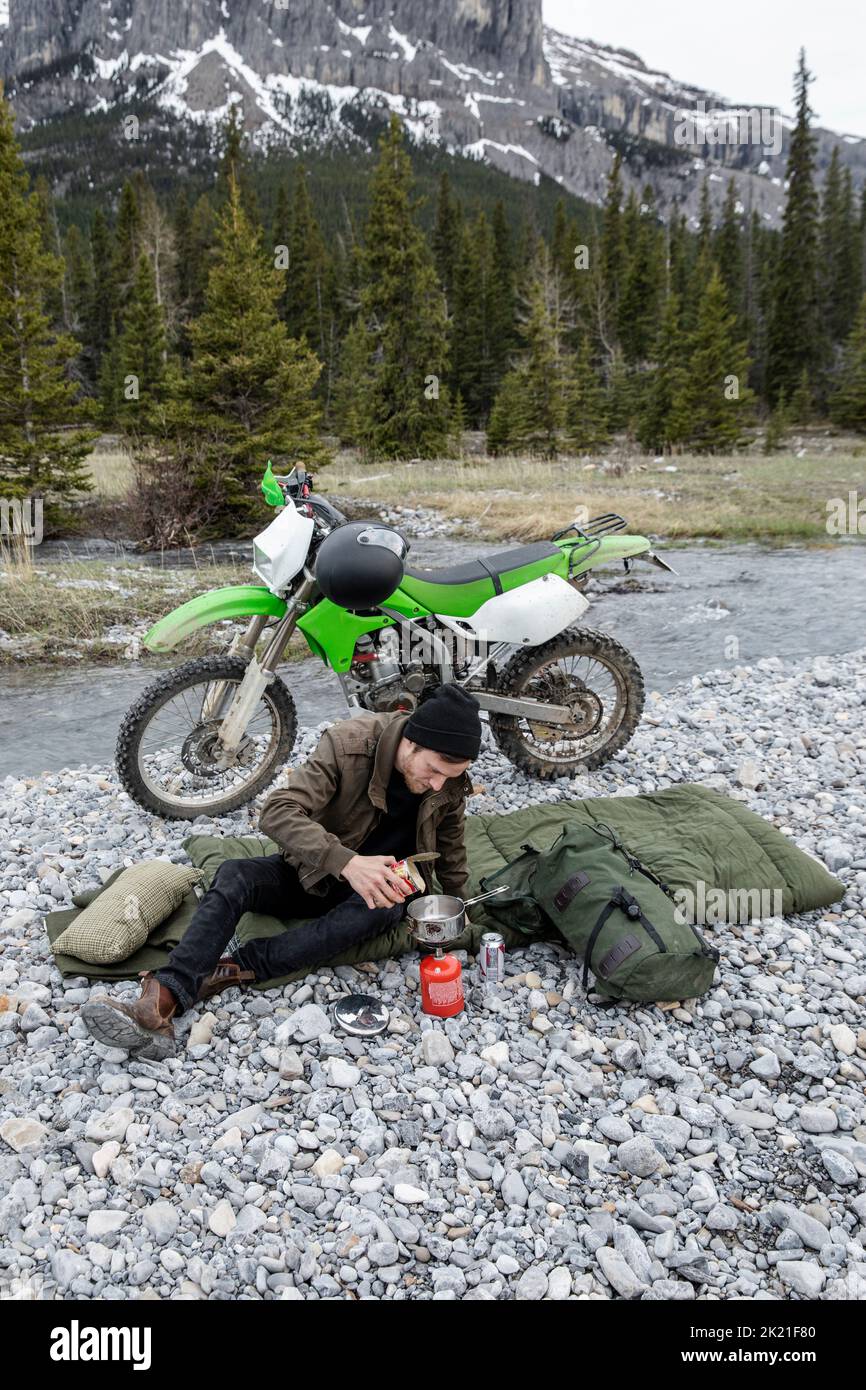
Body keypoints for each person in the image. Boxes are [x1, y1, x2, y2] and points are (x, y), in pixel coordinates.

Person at [80, 684, 483, 1059]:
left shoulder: (447, 780)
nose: (436, 786)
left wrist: (459, 905)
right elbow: (277, 812)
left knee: (384, 909)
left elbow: (450, 843)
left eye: (448, 777)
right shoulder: (348, 744)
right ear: (411, 742)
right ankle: (158, 1002)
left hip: (382, 889)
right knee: (235, 875)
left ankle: (221, 974)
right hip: (314, 872)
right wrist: (347, 863)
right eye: (432, 771)